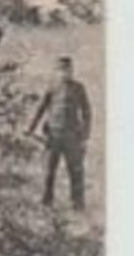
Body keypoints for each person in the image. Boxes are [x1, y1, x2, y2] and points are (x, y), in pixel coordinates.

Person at [26, 55, 92, 211]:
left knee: (76, 171)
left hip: (73, 137)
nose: (65, 73)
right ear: (56, 72)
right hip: (53, 136)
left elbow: (87, 112)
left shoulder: (79, 88)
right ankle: (46, 202)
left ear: (72, 71)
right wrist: (30, 128)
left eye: (68, 70)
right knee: (49, 171)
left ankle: (78, 204)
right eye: (61, 70)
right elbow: (40, 108)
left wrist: (85, 134)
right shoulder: (52, 87)